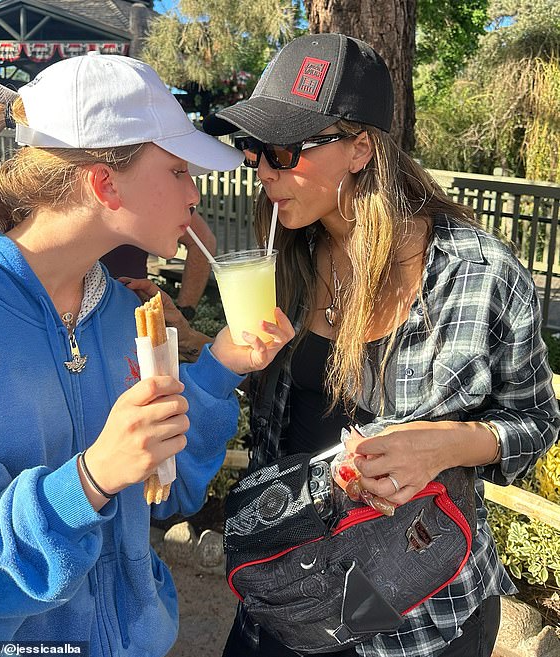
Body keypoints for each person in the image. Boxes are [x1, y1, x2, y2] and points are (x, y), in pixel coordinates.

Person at [199, 33, 560, 657]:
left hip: (422, 609)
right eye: (253, 149)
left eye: (283, 151)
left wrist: (448, 446)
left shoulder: (478, 273)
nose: (261, 170)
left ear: (360, 148)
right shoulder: (282, 262)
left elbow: (535, 422)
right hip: (291, 591)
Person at [0, 53, 294, 654]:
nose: (196, 194)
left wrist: (220, 369)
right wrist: (89, 479)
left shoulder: (125, 317)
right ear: (103, 182)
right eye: (177, 171)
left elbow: (162, 492)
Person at [101, 207, 217, 322]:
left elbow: (202, 240)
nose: (194, 198)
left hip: (132, 317)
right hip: (129, 313)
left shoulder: (145, 195)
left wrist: (184, 313)